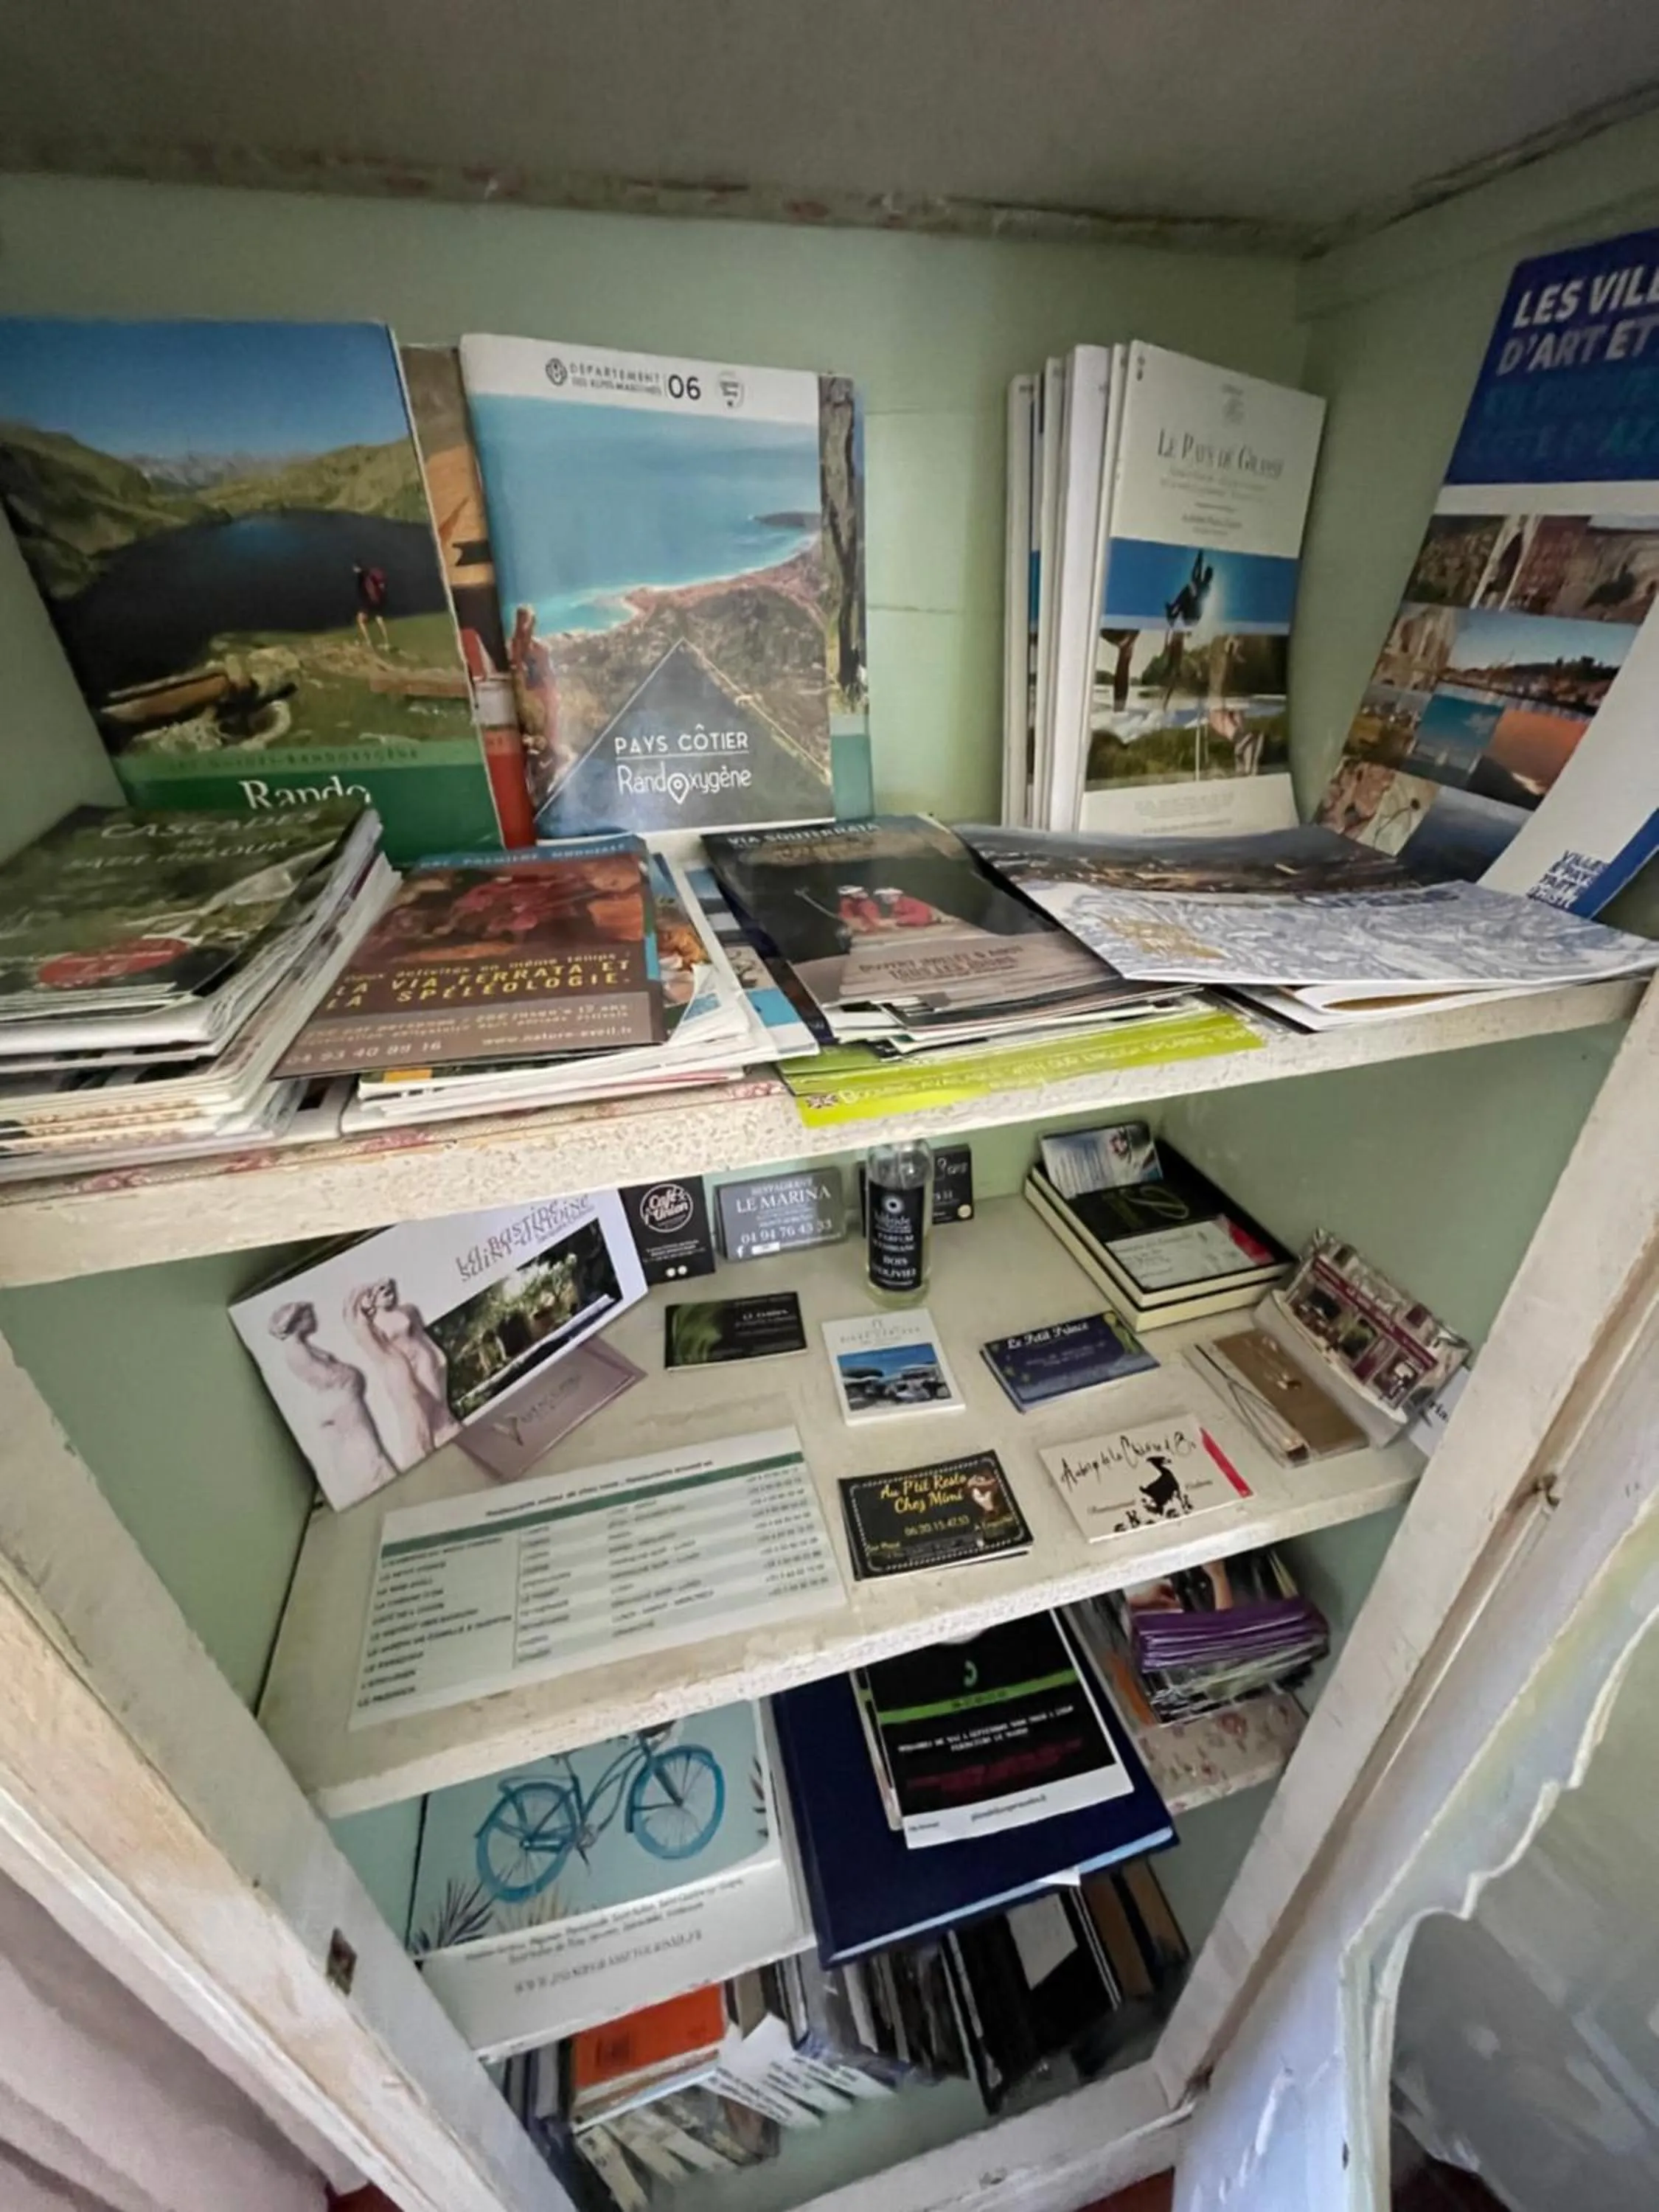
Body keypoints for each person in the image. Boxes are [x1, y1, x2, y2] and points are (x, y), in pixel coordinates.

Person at [353, 563, 392, 652]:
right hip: (379, 601)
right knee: (379, 620)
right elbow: (382, 587)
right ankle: (387, 643)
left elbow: (364, 591)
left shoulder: (362, 576)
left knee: (360, 620)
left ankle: (368, 641)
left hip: (369, 601)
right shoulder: (373, 575)